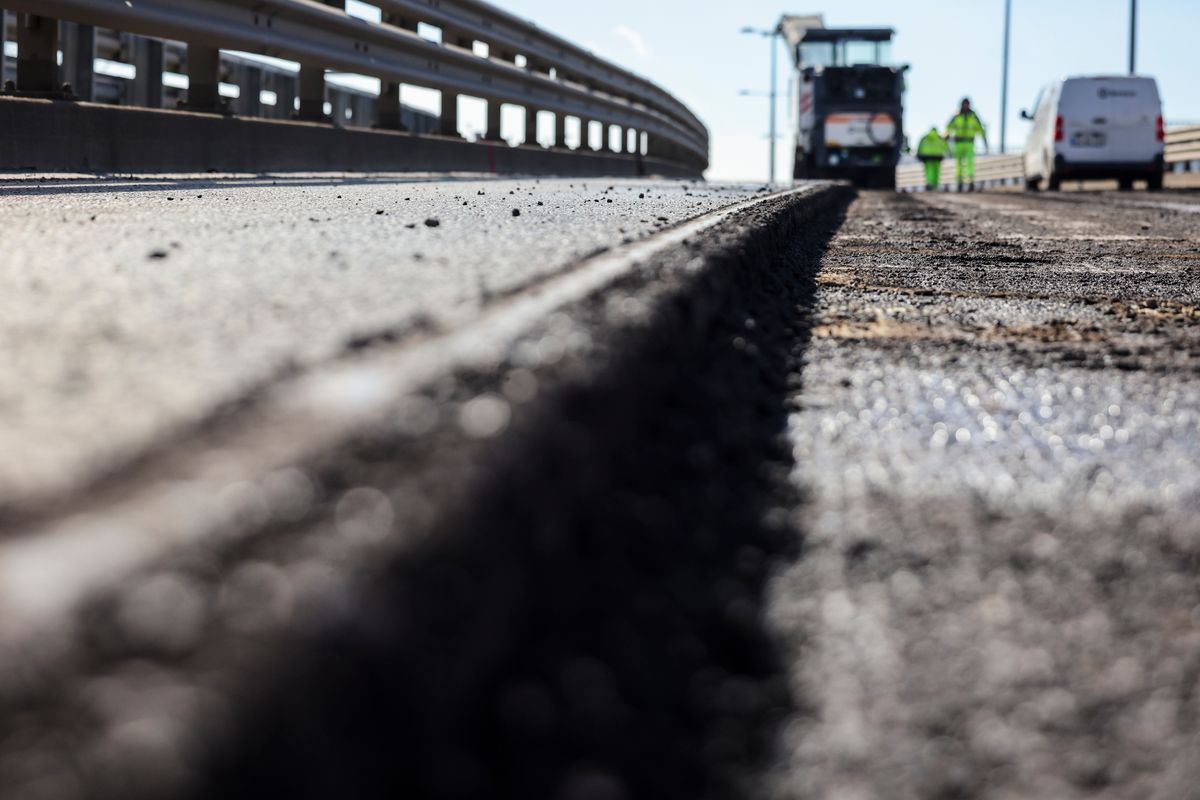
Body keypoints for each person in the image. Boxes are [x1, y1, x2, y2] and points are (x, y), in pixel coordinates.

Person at [945, 98, 988, 191]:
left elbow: (980, 128)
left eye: (967, 104)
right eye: (964, 104)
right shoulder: (956, 116)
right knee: (959, 163)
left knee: (970, 162)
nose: (966, 106)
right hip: (959, 142)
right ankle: (960, 181)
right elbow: (948, 127)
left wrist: (984, 140)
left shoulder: (973, 116)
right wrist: (946, 134)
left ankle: (970, 181)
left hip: (969, 142)